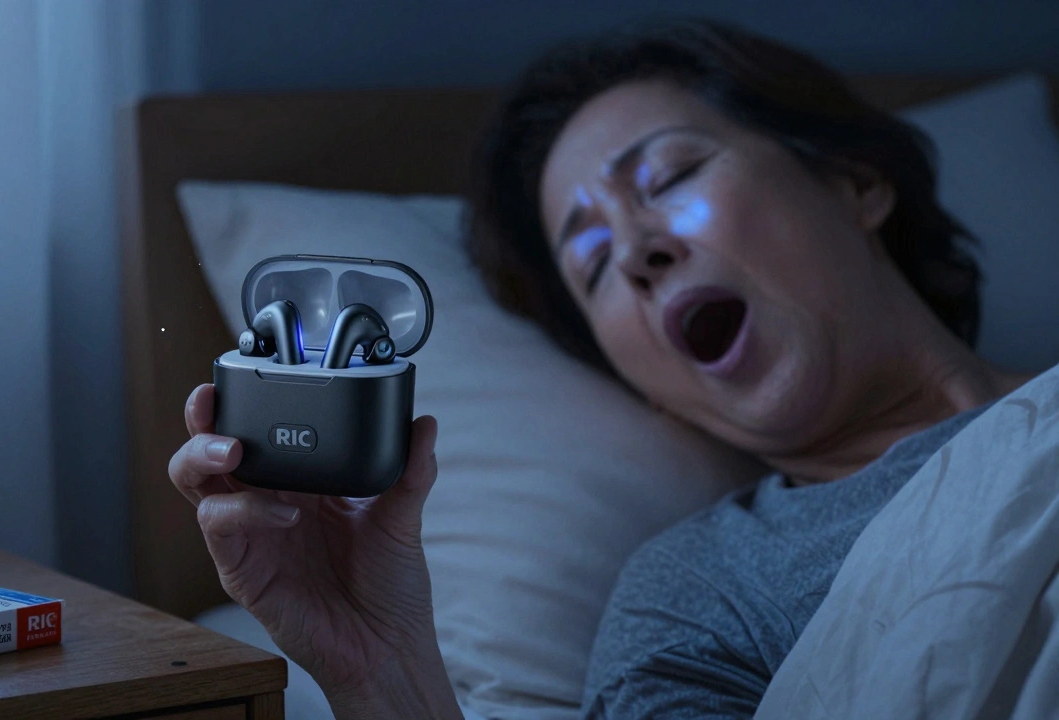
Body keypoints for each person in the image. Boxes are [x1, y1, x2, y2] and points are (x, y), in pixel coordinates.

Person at [167, 19, 1037, 719]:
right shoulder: (698, 599)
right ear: (643, 382)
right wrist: (381, 673)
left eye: (672, 174)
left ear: (855, 184)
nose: (635, 253)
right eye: (591, 267)